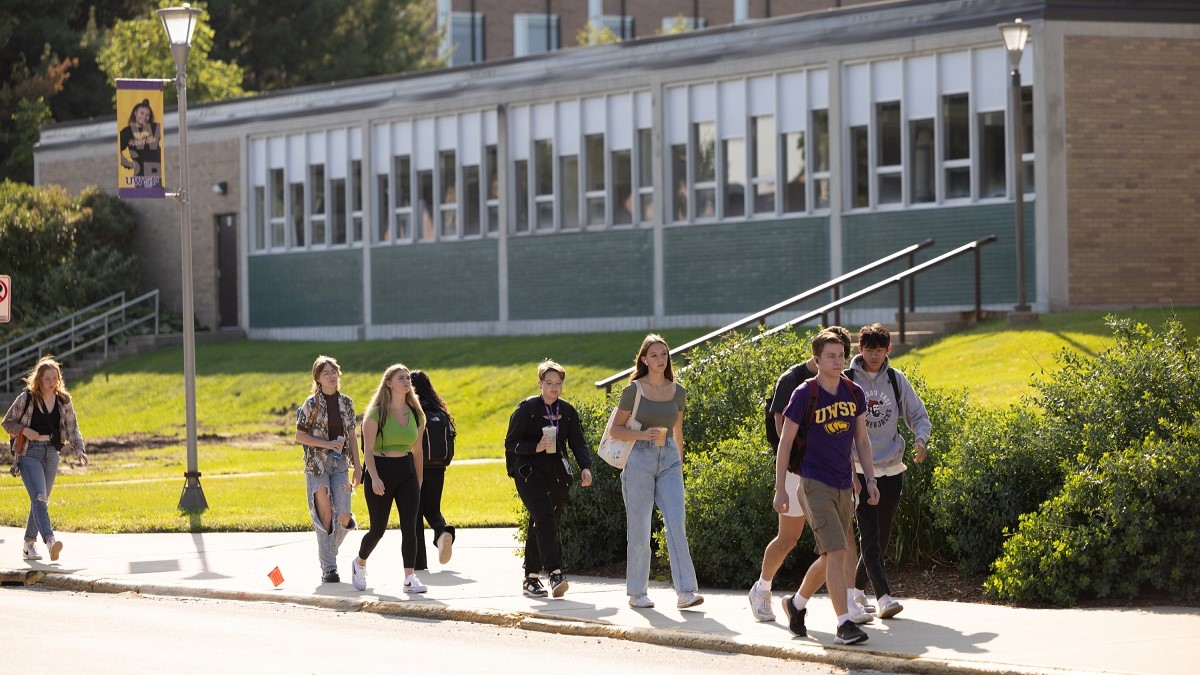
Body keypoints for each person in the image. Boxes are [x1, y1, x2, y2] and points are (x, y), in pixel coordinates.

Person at [750, 326, 875, 625]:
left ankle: (844, 604)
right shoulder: (795, 384)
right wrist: (781, 486)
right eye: (831, 355)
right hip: (800, 472)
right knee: (789, 538)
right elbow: (784, 435)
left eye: (842, 355)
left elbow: (847, 435)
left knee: (840, 543)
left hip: (838, 477)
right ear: (817, 358)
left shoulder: (849, 389)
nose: (838, 360)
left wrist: (859, 474)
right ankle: (763, 588)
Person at [608, 334, 704, 610]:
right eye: (654, 355)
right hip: (639, 459)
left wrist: (679, 463)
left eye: (664, 355)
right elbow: (616, 429)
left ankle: (686, 591)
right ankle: (637, 593)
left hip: (670, 460)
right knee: (639, 528)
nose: (660, 360)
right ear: (644, 359)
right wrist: (644, 435)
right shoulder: (634, 390)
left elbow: (678, 432)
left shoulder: (678, 391)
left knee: (677, 524)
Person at [845, 323, 932, 620]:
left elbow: (918, 415)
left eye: (879, 350)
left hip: (893, 467)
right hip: (858, 469)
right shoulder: (846, 381)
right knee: (869, 535)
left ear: (888, 350)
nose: (873, 355)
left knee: (880, 538)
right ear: (860, 349)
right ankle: (884, 597)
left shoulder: (896, 380)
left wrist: (920, 440)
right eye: (868, 349)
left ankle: (855, 592)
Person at [505, 359, 593, 598]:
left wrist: (585, 467)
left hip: (556, 474)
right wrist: (536, 446)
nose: (555, 388)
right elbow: (511, 443)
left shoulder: (567, 411)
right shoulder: (527, 409)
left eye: (559, 383)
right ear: (540, 383)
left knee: (543, 520)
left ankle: (530, 578)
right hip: (529, 472)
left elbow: (577, 442)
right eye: (549, 383)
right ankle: (555, 573)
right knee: (544, 516)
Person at [4, 356, 88, 562]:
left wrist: (79, 450)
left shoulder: (63, 400)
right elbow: (7, 423)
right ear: (39, 380)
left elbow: (72, 427)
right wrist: (25, 430)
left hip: (52, 453)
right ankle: (50, 541)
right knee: (40, 498)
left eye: (55, 378)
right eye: (47, 379)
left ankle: (27, 545)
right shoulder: (26, 398)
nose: (51, 382)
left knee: (41, 500)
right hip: (29, 453)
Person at [352, 364, 428, 593]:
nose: (406, 381)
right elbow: (368, 452)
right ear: (388, 383)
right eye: (400, 378)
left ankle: (409, 577)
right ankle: (360, 562)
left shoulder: (417, 413)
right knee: (378, 528)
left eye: (408, 378)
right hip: (380, 470)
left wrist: (419, 480)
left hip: (406, 472)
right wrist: (373, 478)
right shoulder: (375, 414)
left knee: (410, 526)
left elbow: (418, 451)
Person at [295, 355, 362, 583]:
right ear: (318, 378)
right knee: (324, 515)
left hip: (340, 464)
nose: (331, 377)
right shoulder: (311, 404)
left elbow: (352, 436)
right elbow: (299, 435)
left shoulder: (347, 403)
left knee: (344, 516)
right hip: (317, 466)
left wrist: (358, 466)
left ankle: (328, 551)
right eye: (326, 373)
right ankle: (329, 569)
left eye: (333, 372)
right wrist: (326, 444)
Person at [411, 369, 457, 569]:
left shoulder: (411, 410)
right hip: (438, 467)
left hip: (414, 467)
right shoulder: (440, 411)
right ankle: (441, 531)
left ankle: (419, 563)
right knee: (432, 508)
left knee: (414, 514)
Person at [118, 99, 162, 184]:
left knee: (156, 196)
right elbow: (117, 149)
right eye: (141, 113)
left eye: (147, 115)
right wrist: (127, 163)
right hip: (140, 177)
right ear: (135, 113)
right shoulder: (127, 132)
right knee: (142, 197)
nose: (144, 117)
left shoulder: (154, 128)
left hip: (157, 176)